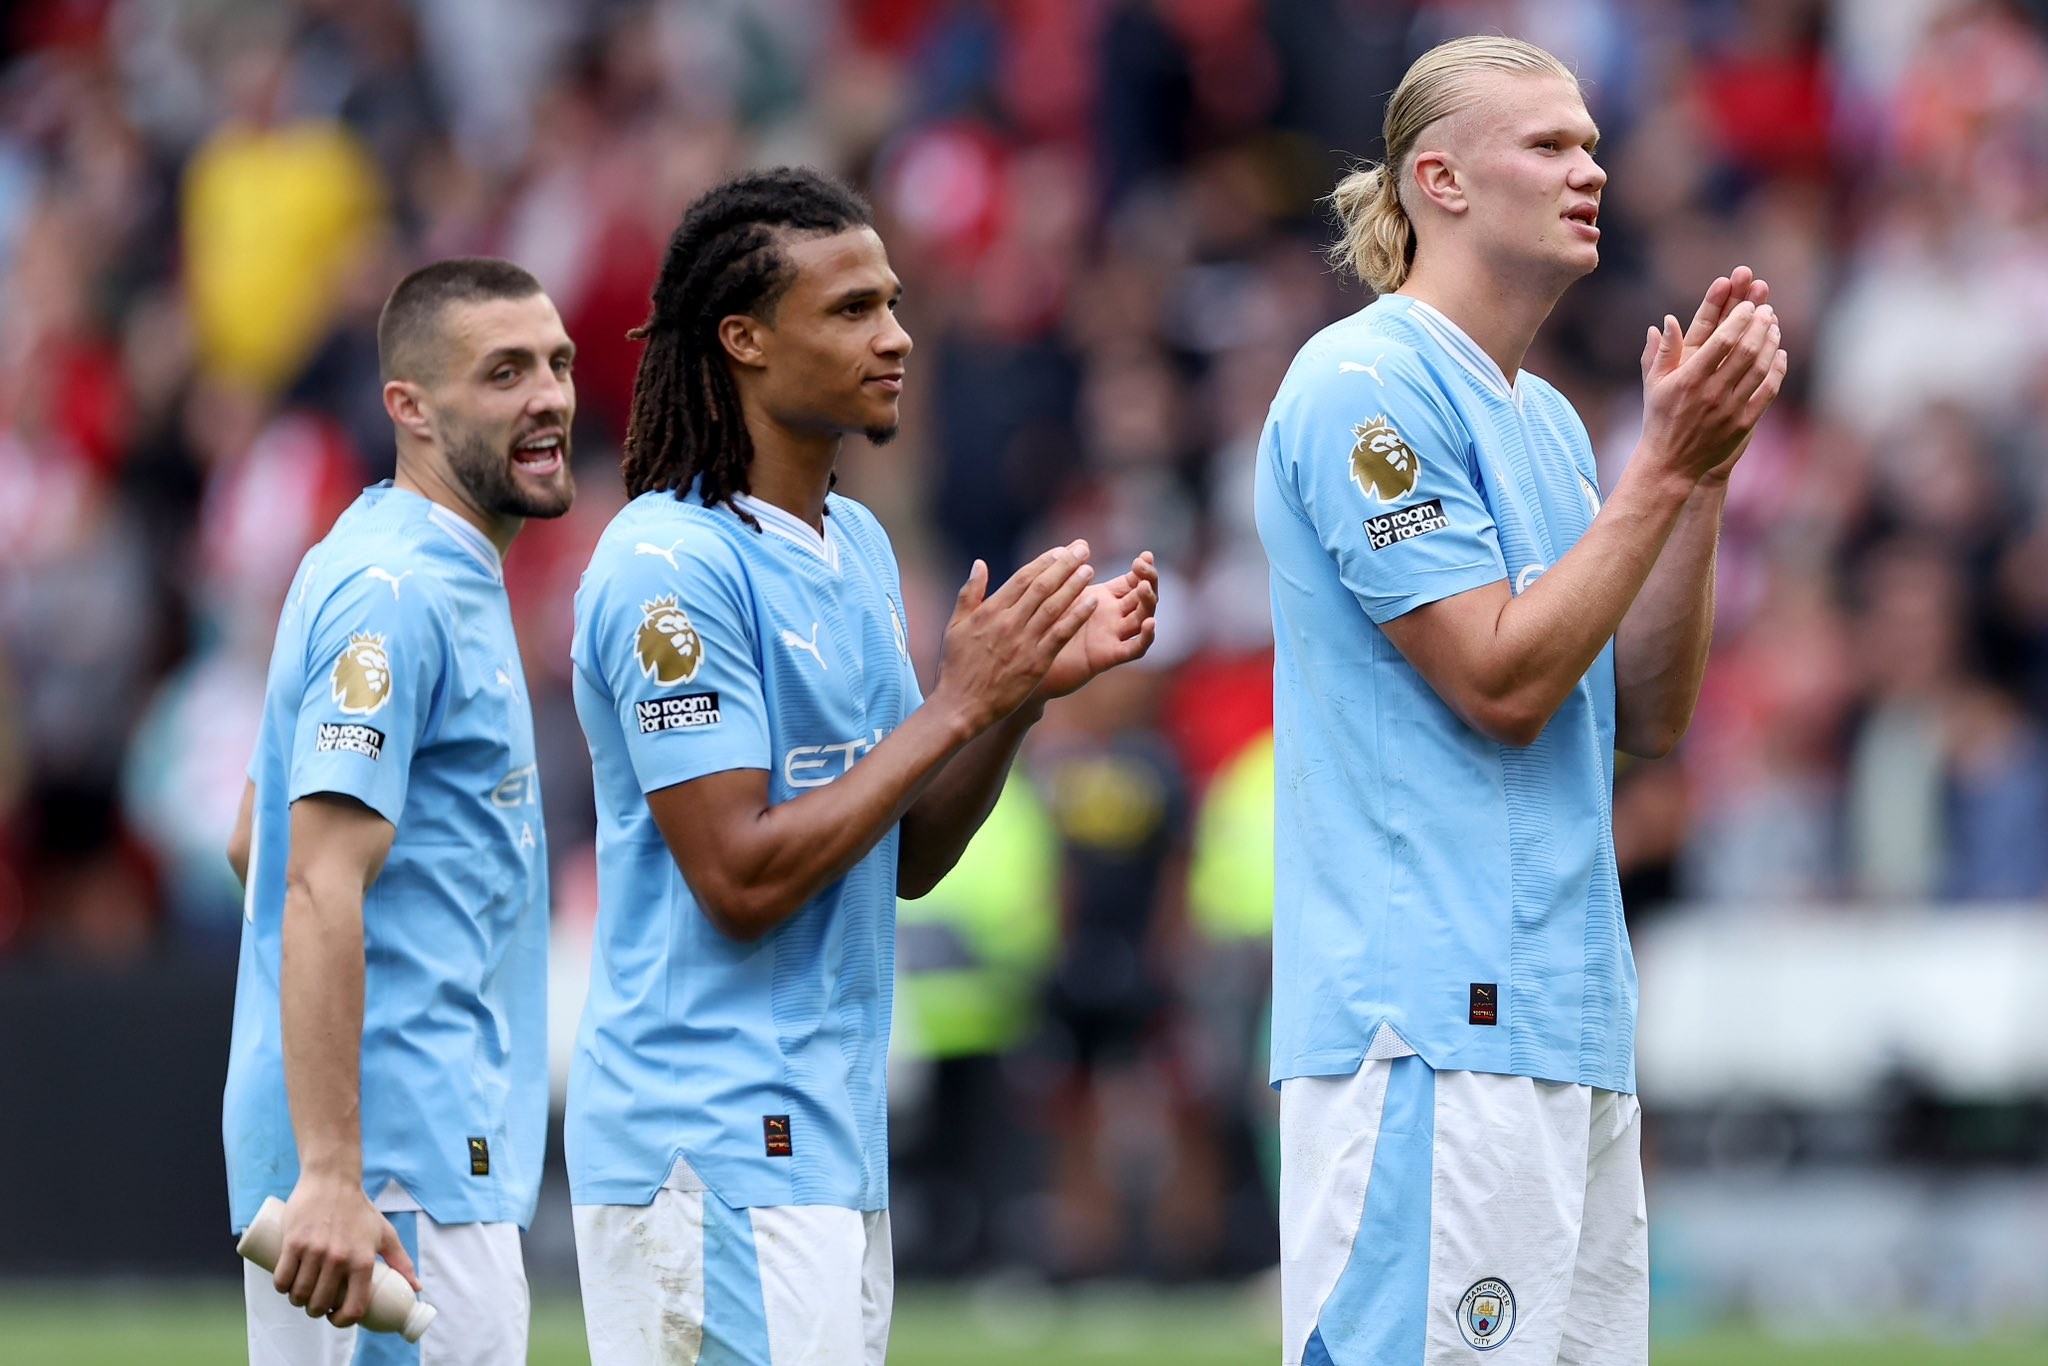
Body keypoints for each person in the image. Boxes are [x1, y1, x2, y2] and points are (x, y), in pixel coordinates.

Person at [565, 166, 1158, 1364]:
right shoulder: (668, 568)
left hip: (829, 1137)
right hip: (706, 1143)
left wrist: (1014, 703)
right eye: (849, 309)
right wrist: (958, 703)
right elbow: (737, 877)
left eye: (891, 303)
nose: (894, 337)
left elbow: (906, 856)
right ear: (742, 338)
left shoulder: (859, 545)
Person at [1254, 36, 1787, 1366]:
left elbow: (1646, 716)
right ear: (1438, 179)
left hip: (1565, 1026)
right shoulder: (1362, 386)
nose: (1588, 170)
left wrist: (1697, 477)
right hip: (1431, 1030)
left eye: (1591, 145)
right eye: (1548, 145)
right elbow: (1499, 679)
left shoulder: (1546, 422)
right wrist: (1656, 472)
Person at [223, 257, 577, 1364]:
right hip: (392, 1176)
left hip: (392, 1155)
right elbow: (311, 875)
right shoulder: (397, 590)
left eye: (558, 364)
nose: (549, 397)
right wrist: (334, 1169)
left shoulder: (403, 563)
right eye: (505, 372)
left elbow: (253, 840)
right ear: (409, 407)